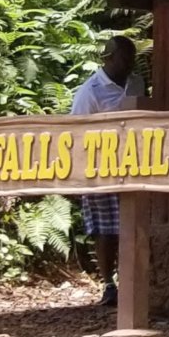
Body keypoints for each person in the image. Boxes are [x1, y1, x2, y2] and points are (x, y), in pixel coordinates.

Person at [70, 35, 143, 307]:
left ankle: (132, 281)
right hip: (101, 168)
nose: (131, 63)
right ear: (110, 58)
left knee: (132, 225)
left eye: (133, 57)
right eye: (126, 57)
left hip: (136, 166)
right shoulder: (91, 91)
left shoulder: (135, 83)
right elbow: (77, 132)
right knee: (105, 230)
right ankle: (109, 284)